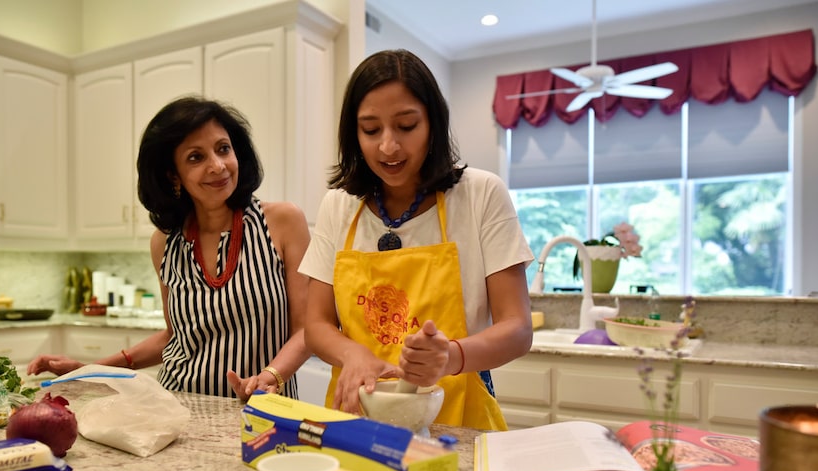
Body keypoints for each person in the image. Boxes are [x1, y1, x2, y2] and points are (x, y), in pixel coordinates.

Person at [298, 50, 533, 430]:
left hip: (455, 420)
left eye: (406, 126)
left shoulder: (480, 194)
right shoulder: (339, 206)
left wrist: (450, 356)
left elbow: (518, 329)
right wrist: (351, 353)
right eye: (371, 130)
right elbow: (317, 324)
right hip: (357, 418)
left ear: (433, 125)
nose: (388, 146)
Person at [28, 96, 311, 401]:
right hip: (180, 408)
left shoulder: (282, 222)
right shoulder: (165, 242)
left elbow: (308, 330)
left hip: (264, 410)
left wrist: (270, 376)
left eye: (223, 149)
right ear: (173, 175)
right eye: (195, 157)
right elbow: (174, 337)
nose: (217, 166)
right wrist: (88, 369)